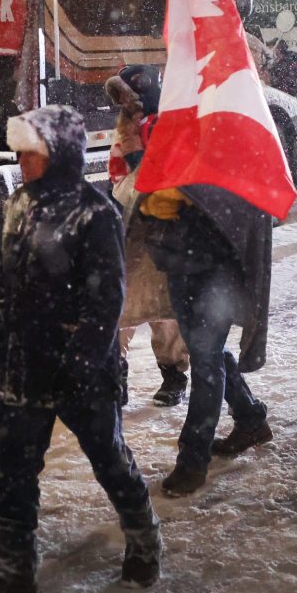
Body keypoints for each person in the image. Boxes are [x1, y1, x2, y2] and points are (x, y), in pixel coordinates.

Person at [0, 105, 161, 593]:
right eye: (21, 150)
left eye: (32, 150)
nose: (22, 159)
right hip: (22, 366)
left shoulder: (96, 211)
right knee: (15, 474)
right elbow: (7, 287)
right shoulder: (19, 204)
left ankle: (143, 540)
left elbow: (106, 300)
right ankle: (13, 575)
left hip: (79, 371)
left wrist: (80, 363)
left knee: (108, 458)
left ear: (58, 152)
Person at [136, 184, 276, 497]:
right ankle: (250, 419)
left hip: (213, 274)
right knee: (208, 353)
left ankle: (193, 460)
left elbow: (227, 217)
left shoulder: (221, 163)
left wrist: (174, 198)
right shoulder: (182, 155)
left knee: (206, 360)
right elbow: (149, 201)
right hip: (180, 267)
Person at [105, 65, 190, 408]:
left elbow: (166, 170)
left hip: (163, 223)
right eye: (120, 99)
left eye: (129, 97)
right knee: (120, 305)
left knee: (163, 304)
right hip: (128, 223)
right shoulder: (126, 127)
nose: (125, 105)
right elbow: (120, 174)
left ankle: (173, 373)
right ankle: (116, 375)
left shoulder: (167, 122)